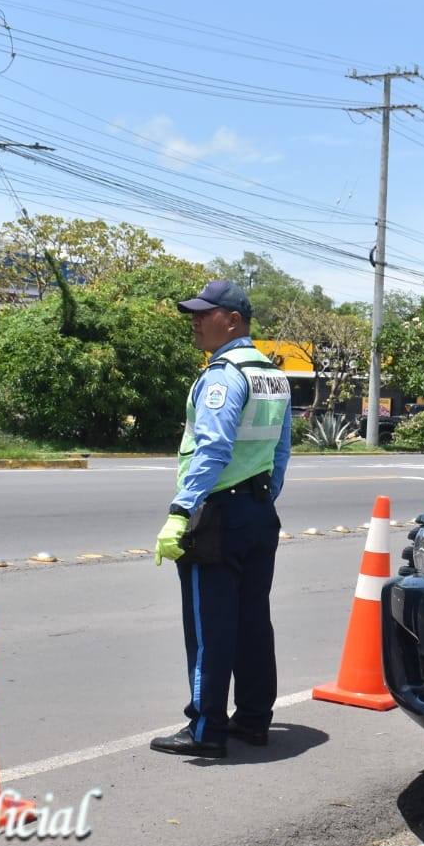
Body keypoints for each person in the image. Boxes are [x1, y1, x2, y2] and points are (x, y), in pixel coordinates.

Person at [151, 280, 293, 759]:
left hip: (217, 515)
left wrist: (181, 510)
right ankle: (253, 720)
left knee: (210, 626)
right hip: (257, 513)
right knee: (253, 621)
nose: (194, 321)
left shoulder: (222, 376)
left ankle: (206, 729)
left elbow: (212, 449)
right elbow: (281, 448)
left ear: (232, 320)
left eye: (203, 314)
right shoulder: (273, 375)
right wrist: (263, 496)